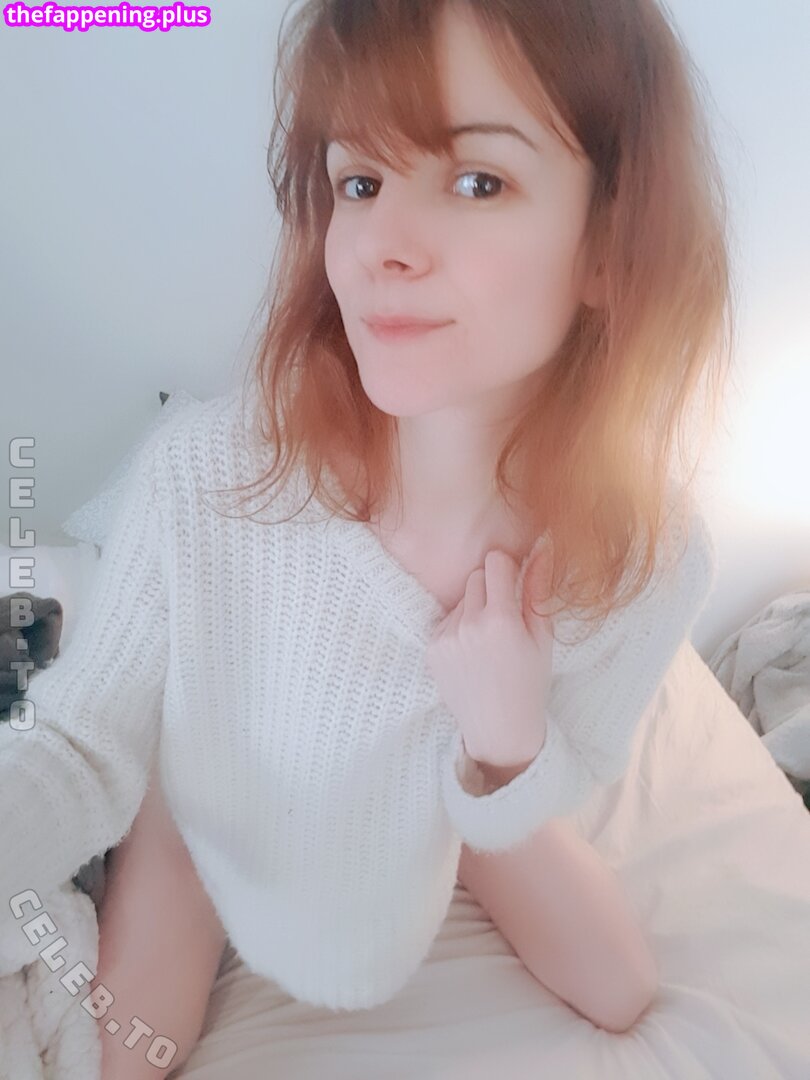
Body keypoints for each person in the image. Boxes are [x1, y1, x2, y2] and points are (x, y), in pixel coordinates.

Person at [2, 0, 732, 1076]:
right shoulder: (208, 475)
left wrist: (504, 746)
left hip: (447, 814)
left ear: (610, 248)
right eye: (361, 182)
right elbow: (76, 745)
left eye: (477, 182)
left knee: (624, 992)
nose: (382, 245)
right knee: (123, 1058)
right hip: (207, 810)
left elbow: (576, 765)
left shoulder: (644, 560)